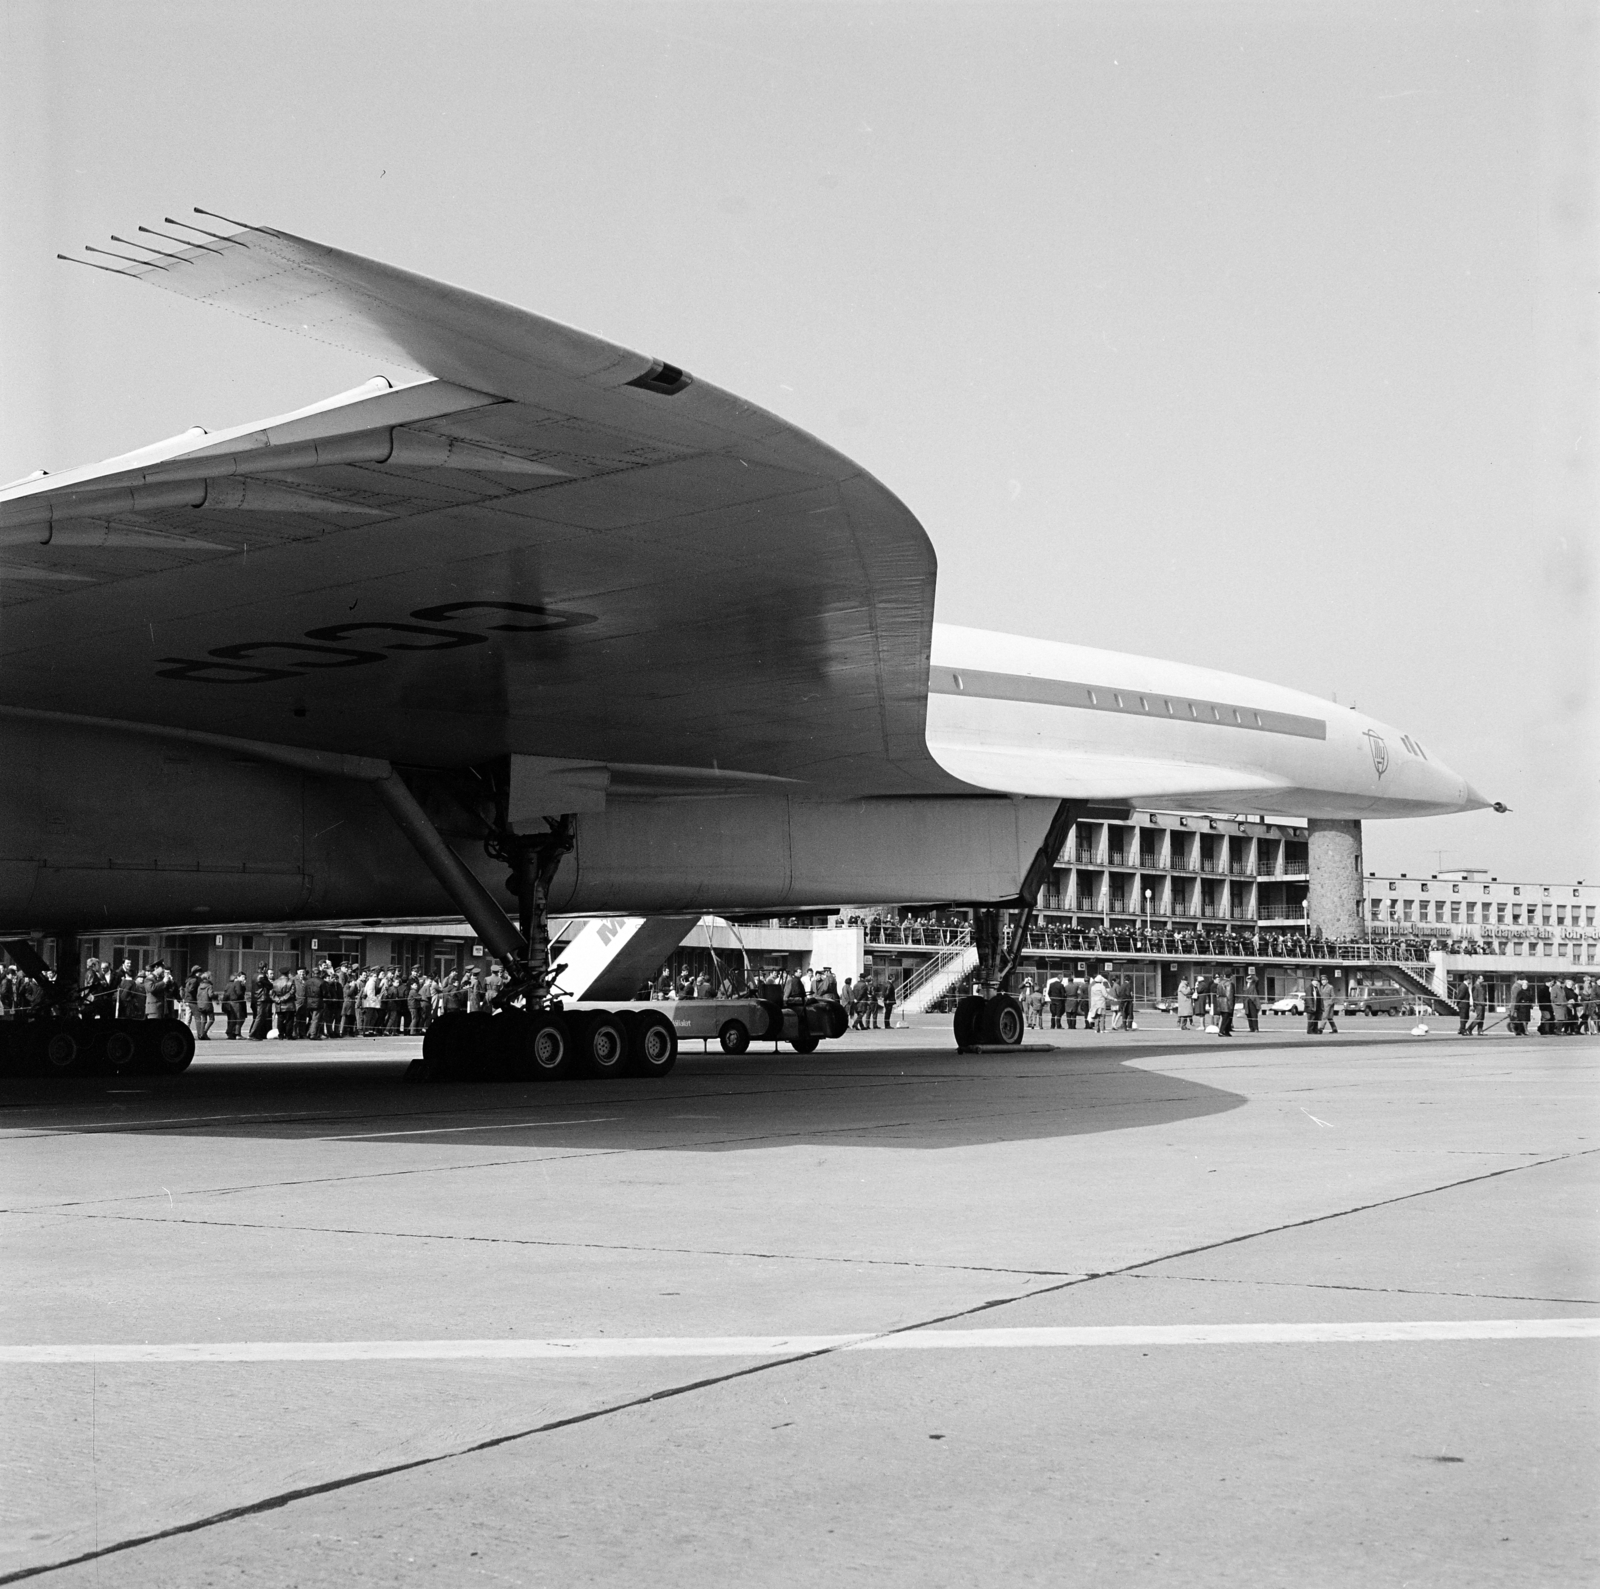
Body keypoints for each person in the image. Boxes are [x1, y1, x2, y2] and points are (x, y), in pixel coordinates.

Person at [1214, 972, 1234, 1037]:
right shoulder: (1229, 983)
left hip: (1220, 1001)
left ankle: (1226, 1031)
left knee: (1224, 1017)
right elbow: (1229, 995)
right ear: (1231, 976)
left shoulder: (1220, 983)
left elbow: (1217, 994)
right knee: (1227, 1018)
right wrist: (1231, 1005)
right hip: (1226, 1002)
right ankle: (1222, 1031)